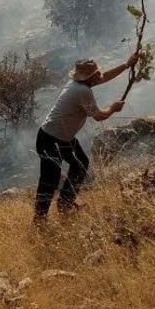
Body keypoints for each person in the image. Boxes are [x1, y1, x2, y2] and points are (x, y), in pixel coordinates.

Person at [34, 55, 135, 223]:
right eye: (96, 72)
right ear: (89, 77)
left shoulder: (79, 84)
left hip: (62, 137)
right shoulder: (82, 91)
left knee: (80, 164)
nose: (99, 74)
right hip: (50, 139)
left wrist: (126, 65)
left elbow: (103, 78)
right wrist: (113, 107)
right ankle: (39, 221)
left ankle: (65, 204)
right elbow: (99, 116)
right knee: (49, 180)